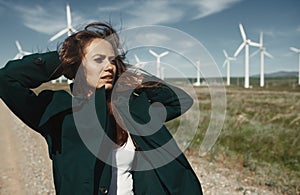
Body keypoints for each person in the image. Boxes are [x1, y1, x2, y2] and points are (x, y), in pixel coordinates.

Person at [0, 22, 202, 195]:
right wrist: (63, 60)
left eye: (112, 60)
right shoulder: (59, 111)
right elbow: (6, 79)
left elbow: (179, 101)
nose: (110, 67)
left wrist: (136, 78)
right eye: (98, 59)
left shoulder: (132, 108)